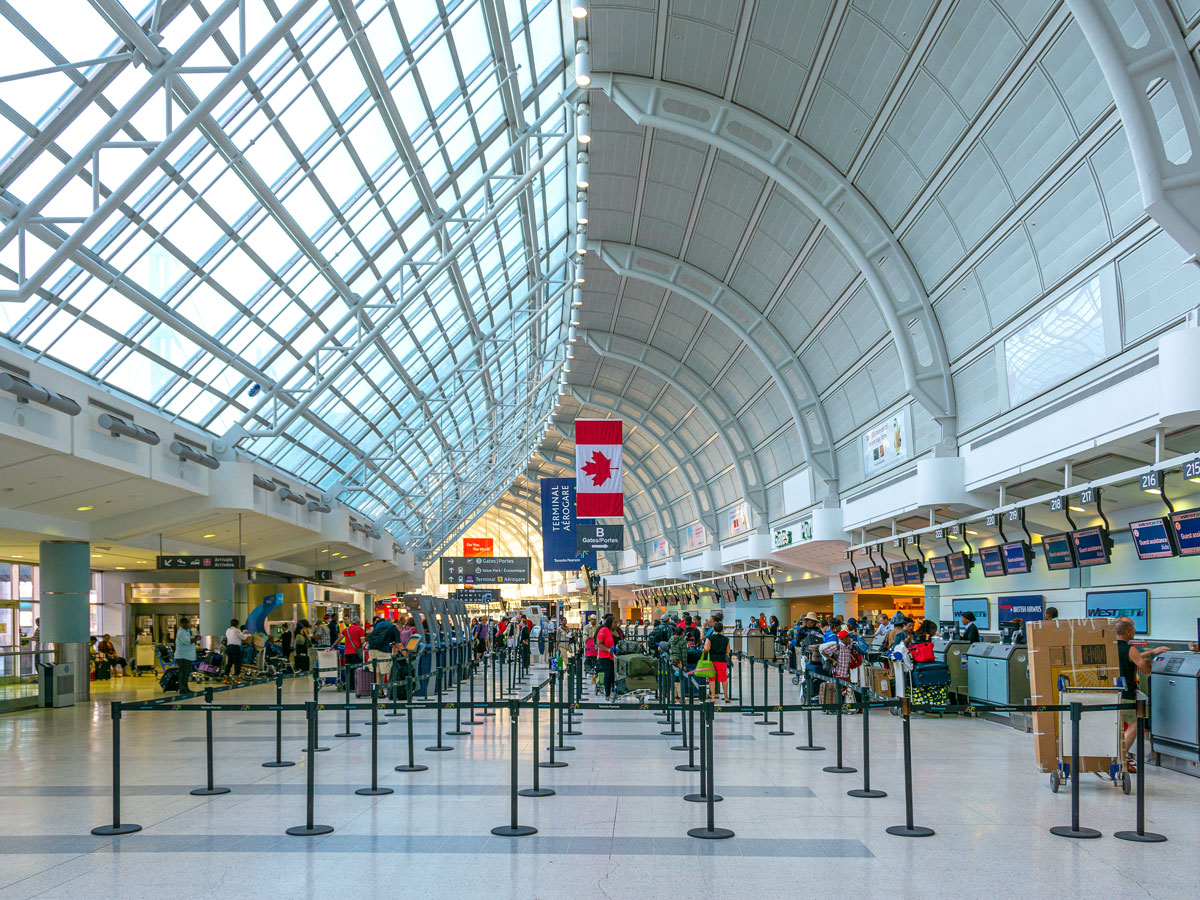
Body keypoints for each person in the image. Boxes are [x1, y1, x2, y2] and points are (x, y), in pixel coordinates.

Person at [1115, 617, 1170, 762]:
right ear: (1127, 632)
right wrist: (1150, 663)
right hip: (1127, 693)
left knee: (1117, 726)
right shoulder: (1129, 648)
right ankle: (1120, 759)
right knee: (1134, 725)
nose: (1134, 631)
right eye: (1133, 629)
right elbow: (1145, 669)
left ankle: (1116, 757)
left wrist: (1151, 652)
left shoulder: (1110, 647)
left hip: (1111, 692)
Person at [702, 620, 730, 700]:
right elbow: (728, 651)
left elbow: (706, 648)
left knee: (712, 679)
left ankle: (713, 697)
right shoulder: (726, 639)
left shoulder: (710, 638)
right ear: (722, 629)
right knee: (724, 678)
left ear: (714, 629)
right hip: (722, 660)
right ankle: (726, 696)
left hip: (712, 660)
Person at [595, 614, 616, 700]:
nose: (616, 624)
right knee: (608, 674)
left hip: (616, 657)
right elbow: (598, 643)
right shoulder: (604, 630)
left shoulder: (617, 631)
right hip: (605, 656)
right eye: (615, 622)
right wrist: (607, 649)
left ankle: (615, 692)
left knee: (614, 675)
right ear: (610, 623)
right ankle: (608, 693)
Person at [174, 616, 198, 691]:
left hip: (187, 656)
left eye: (187, 623)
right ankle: (182, 689)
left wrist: (195, 637)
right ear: (181, 624)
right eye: (185, 623)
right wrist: (196, 639)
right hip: (182, 656)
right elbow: (188, 641)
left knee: (186, 673)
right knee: (183, 673)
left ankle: (186, 688)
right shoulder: (181, 632)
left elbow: (191, 639)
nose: (187, 625)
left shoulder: (187, 631)